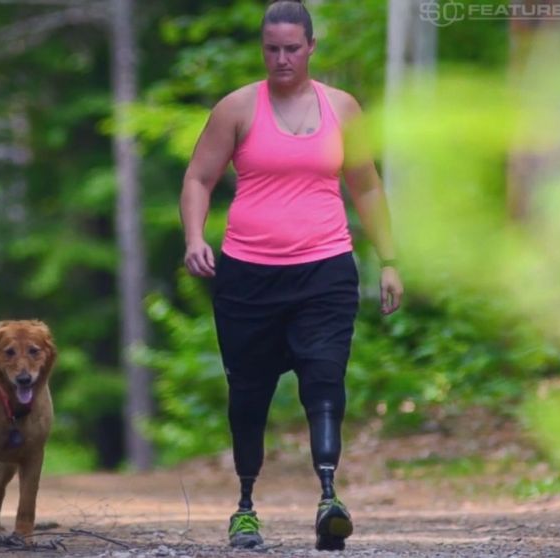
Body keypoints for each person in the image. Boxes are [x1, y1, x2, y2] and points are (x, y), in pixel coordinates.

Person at [179, 0, 403, 551]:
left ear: (311, 48)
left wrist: (391, 260)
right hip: (248, 277)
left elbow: (367, 186)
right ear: (264, 49)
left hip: (324, 269)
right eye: (272, 49)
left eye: (292, 49)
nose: (282, 59)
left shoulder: (343, 109)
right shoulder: (236, 109)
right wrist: (193, 238)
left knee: (324, 378)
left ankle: (330, 496)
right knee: (248, 393)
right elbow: (198, 178)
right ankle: (246, 505)